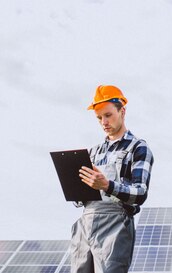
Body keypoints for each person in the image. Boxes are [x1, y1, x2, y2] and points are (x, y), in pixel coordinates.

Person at [70, 85, 154, 273]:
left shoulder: (138, 148)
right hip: (85, 225)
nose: (103, 122)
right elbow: (79, 201)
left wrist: (107, 185)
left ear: (122, 111)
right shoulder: (92, 152)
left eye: (108, 115)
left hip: (115, 228)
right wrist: (74, 188)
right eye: (99, 118)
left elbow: (140, 193)